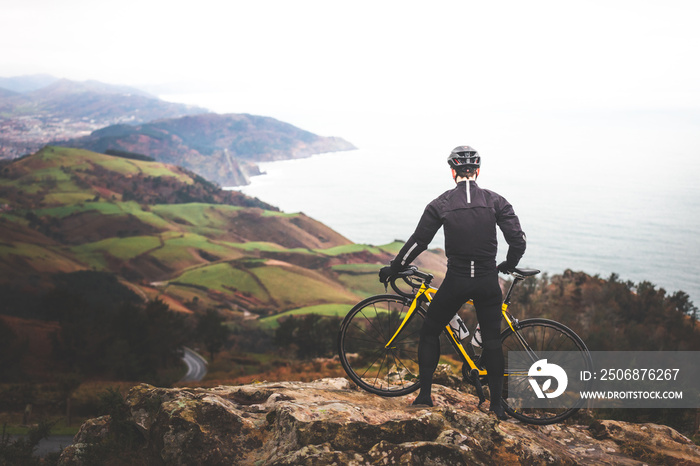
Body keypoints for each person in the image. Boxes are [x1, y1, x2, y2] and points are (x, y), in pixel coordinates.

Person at [379, 145, 526, 420]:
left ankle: (424, 396)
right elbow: (518, 239)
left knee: (429, 331)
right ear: (477, 171)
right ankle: (497, 407)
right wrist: (509, 263)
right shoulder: (496, 201)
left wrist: (395, 266)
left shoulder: (441, 203)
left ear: (453, 172)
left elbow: (419, 241)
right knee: (492, 342)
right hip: (486, 280)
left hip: (457, 281)